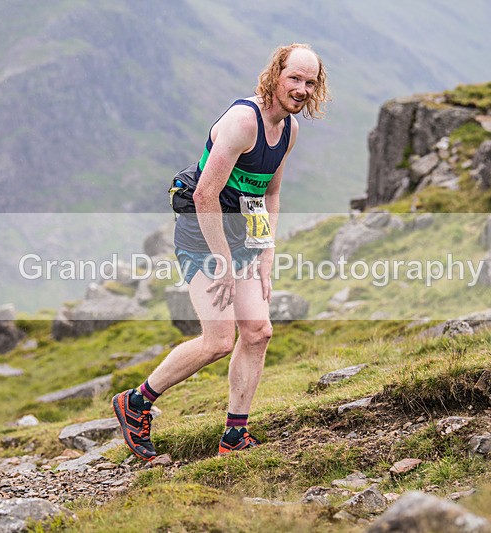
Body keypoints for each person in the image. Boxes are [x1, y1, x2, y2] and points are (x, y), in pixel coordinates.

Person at [113, 43, 329, 460]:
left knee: (258, 332)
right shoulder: (242, 122)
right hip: (203, 235)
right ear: (275, 75)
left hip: (242, 237)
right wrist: (223, 262)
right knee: (218, 341)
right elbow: (204, 195)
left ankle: (234, 436)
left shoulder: (289, 130)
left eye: (310, 82)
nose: (302, 89)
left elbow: (270, 193)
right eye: (294, 78)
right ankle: (135, 402)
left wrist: (265, 252)